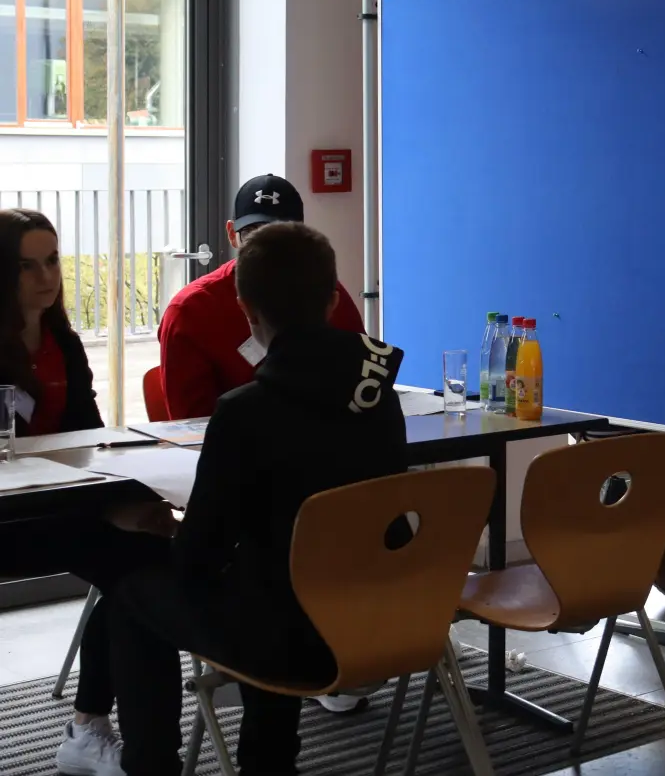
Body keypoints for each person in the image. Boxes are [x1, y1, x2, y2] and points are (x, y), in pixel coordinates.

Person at [0, 222, 408, 776]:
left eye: (53, 260)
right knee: (250, 582)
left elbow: (199, 559)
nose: (48, 275)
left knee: (139, 594)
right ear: (335, 298)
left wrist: (176, 531)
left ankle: (152, 765)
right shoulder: (380, 392)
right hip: (390, 612)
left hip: (285, 633)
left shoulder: (244, 411)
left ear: (245, 308)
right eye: (32, 264)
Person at [159, 174, 364, 420]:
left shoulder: (323, 291)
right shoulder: (190, 311)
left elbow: (359, 383)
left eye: (279, 236)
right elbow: (192, 427)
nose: (268, 250)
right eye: (252, 233)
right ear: (232, 234)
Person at [0, 209, 103, 436]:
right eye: (27, 266)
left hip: (70, 470)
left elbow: (90, 430)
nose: (46, 277)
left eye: (52, 261)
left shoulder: (66, 343)